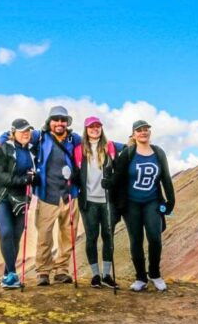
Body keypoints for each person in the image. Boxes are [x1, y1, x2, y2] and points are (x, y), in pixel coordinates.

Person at [0, 106, 82, 286]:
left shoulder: (75, 138)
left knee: (68, 234)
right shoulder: (39, 136)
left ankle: (62, 270)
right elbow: (17, 134)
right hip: (47, 194)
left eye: (62, 120)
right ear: (50, 121)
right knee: (44, 235)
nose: (59, 123)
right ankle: (43, 271)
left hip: (70, 194)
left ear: (67, 122)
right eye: (56, 119)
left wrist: (128, 144)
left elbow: (98, 142)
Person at [106, 120, 175, 292]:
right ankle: (140, 278)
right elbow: (119, 176)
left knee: (155, 238)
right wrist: (108, 184)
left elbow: (165, 178)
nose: (143, 132)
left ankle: (155, 274)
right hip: (131, 204)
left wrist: (170, 202)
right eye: (139, 130)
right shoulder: (128, 153)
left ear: (149, 133)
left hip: (152, 202)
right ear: (134, 134)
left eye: (146, 130)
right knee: (135, 240)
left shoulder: (158, 153)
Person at [72, 116, 124, 289]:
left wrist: (113, 181)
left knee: (108, 237)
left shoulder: (110, 147)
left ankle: (106, 275)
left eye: (97, 126)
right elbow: (77, 175)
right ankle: (95, 275)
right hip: (88, 201)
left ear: (101, 128)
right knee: (92, 237)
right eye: (91, 127)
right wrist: (69, 177)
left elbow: (119, 169)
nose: (95, 129)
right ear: (86, 130)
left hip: (108, 200)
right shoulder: (79, 150)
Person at [0, 118, 37, 289]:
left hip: (21, 199)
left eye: (28, 130)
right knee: (6, 232)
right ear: (13, 132)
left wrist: (34, 178)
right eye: (22, 130)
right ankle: (13, 275)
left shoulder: (32, 150)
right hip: (1, 197)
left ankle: (7, 274)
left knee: (15, 236)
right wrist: (23, 180)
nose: (26, 133)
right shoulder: (5, 147)